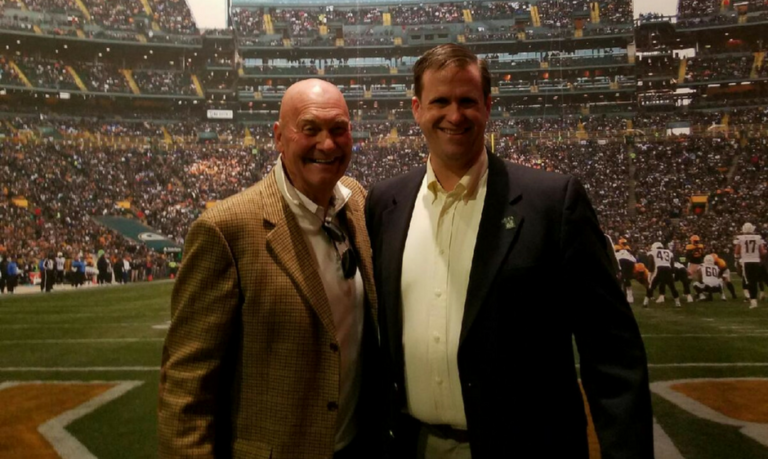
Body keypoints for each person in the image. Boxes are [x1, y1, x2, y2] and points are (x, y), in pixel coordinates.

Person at [365, 44, 653, 459]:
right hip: (413, 445)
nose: (455, 115)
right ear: (416, 108)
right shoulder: (385, 203)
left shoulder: (552, 202)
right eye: (439, 102)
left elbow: (611, 353)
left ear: (487, 105)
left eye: (467, 101)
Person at [158, 79, 380, 459]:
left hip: (359, 448)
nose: (326, 144)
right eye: (309, 129)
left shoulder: (360, 204)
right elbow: (186, 384)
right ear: (279, 137)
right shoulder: (227, 229)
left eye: (337, 129)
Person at [734, 222, 766, 309]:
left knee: (751, 282)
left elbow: (737, 252)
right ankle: (758, 296)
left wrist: (737, 260)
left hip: (746, 262)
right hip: (756, 262)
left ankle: (753, 301)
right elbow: (762, 252)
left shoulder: (740, 238)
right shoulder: (758, 237)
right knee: (759, 280)